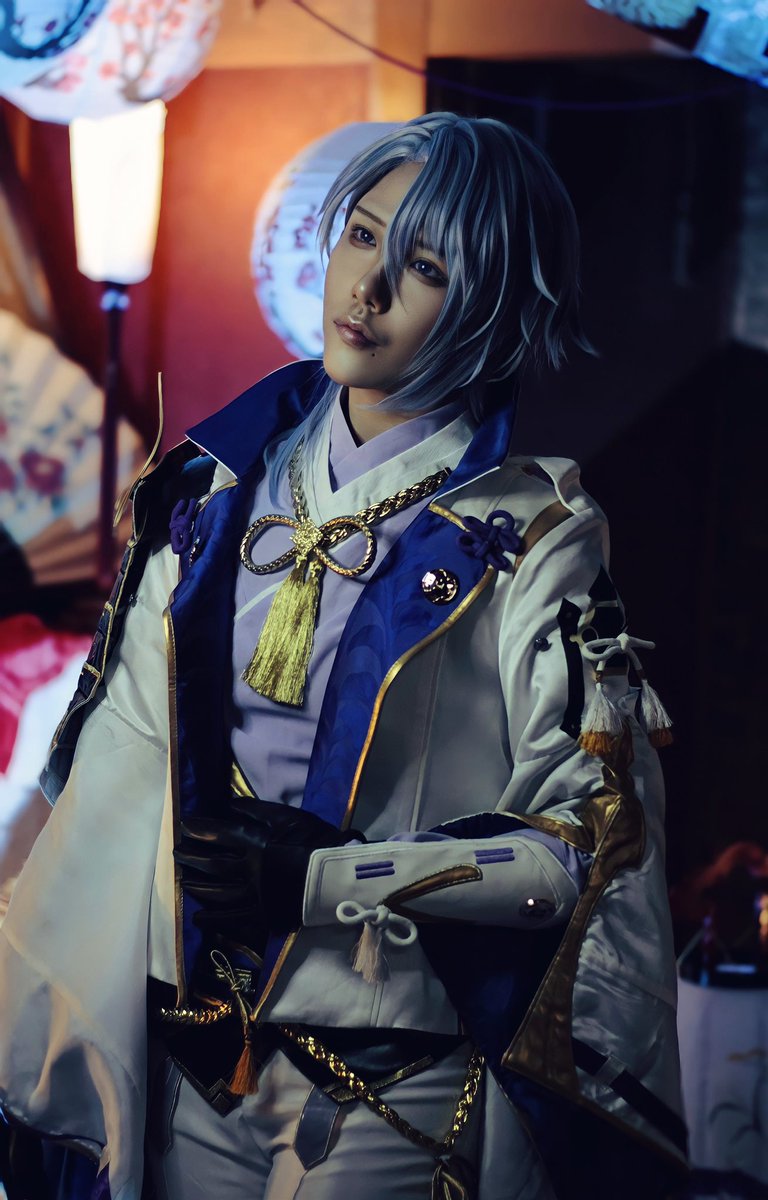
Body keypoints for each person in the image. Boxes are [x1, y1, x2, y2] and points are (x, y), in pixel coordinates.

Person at [0, 113, 686, 1200]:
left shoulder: (534, 536)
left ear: (493, 308)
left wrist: (324, 878)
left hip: (389, 1077)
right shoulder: (211, 489)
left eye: (423, 268)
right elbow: (115, 773)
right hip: (191, 1055)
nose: (365, 289)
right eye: (361, 236)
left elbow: (585, 846)